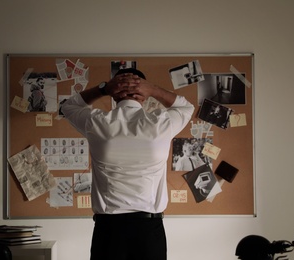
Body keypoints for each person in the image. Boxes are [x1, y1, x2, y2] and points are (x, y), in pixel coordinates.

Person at [61, 68, 194, 260]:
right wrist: (154, 89)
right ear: (145, 96)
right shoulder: (161, 124)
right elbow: (185, 108)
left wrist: (103, 89)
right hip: (149, 230)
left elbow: (69, 106)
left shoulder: (98, 122)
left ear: (114, 95)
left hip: (109, 231)